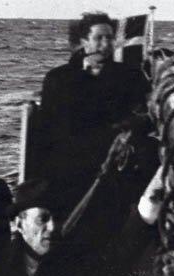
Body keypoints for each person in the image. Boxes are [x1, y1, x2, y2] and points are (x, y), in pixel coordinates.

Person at [33, 12, 151, 211]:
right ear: (84, 42)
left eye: (110, 38)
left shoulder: (129, 76)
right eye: (98, 38)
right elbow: (51, 126)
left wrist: (129, 129)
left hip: (117, 157)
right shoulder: (59, 78)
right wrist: (86, 77)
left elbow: (146, 114)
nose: (105, 45)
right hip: (72, 160)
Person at [7, 164, 165, 276]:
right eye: (42, 219)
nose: (53, 227)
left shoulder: (70, 260)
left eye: (56, 218)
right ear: (19, 224)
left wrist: (147, 211)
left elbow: (114, 262)